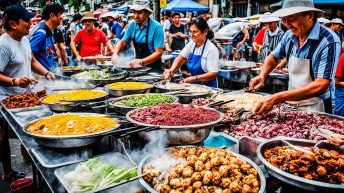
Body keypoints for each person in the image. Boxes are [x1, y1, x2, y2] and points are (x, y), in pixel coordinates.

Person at [249, 0, 341, 114]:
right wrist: (262, 75)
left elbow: (321, 85)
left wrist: (278, 97)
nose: (286, 24)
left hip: (318, 105)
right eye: (283, 19)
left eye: (291, 19)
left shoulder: (329, 41)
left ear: (310, 15)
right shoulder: (289, 35)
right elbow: (273, 57)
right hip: (292, 102)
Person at [0, 4, 54, 180]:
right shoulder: (3, 45)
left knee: (30, 128)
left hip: (26, 95)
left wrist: (46, 72)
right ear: (14, 24)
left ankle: (29, 159)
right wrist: (15, 80)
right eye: (27, 20)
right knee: (2, 137)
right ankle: (8, 171)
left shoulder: (24, 39)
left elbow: (32, 61)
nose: (31, 23)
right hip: (7, 98)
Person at [163, 18, 220, 88]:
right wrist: (171, 71)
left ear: (205, 32)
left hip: (209, 88)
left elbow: (213, 74)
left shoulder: (211, 49)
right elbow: (181, 58)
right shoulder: (192, 44)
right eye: (190, 32)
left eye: (195, 32)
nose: (191, 35)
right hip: (195, 87)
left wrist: (194, 78)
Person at [112, 0, 164, 73]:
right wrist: (115, 53)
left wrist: (142, 62)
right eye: (134, 12)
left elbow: (158, 53)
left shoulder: (157, 27)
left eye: (139, 12)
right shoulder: (132, 25)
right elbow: (123, 42)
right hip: (136, 67)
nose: (136, 16)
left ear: (147, 13)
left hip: (153, 67)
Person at [30, 3, 65, 71]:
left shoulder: (48, 30)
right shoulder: (41, 32)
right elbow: (29, 56)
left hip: (49, 74)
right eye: (60, 14)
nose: (62, 17)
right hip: (42, 77)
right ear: (52, 16)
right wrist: (43, 73)